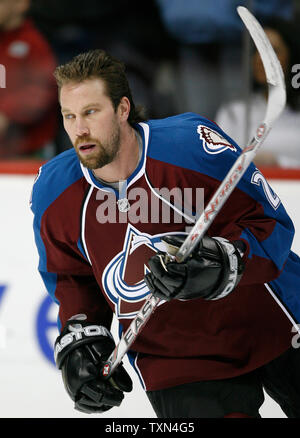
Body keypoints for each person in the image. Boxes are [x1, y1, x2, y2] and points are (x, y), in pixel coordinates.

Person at [31, 49, 300, 418]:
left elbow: (273, 226)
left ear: (123, 109)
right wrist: (83, 337)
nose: (79, 129)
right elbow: (71, 277)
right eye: (69, 116)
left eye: (91, 112)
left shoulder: (190, 146)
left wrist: (225, 262)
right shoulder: (55, 192)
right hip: (179, 358)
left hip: (275, 319)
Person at [215, 18, 300, 168]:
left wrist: (279, 162)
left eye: (273, 51)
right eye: (257, 51)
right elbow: (217, 163)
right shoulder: (234, 111)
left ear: (292, 58)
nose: (261, 58)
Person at [0, 0, 58, 159]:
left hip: (30, 150)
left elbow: (43, 92)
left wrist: (6, 113)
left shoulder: (34, 43)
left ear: (21, 4)